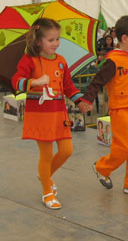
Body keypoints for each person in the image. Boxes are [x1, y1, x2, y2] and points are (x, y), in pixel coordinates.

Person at [11, 18, 89, 209]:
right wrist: (34, 82)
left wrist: (80, 101)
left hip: (59, 114)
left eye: (57, 39)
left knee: (67, 151)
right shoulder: (29, 60)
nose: (56, 43)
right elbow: (16, 81)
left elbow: (68, 86)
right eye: (51, 40)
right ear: (39, 41)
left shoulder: (61, 61)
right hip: (40, 115)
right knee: (46, 155)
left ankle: (45, 175)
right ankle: (47, 191)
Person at [82, 15, 128, 197]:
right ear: (125, 38)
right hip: (120, 110)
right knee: (126, 147)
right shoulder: (113, 61)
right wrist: (87, 100)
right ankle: (102, 167)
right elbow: (97, 81)